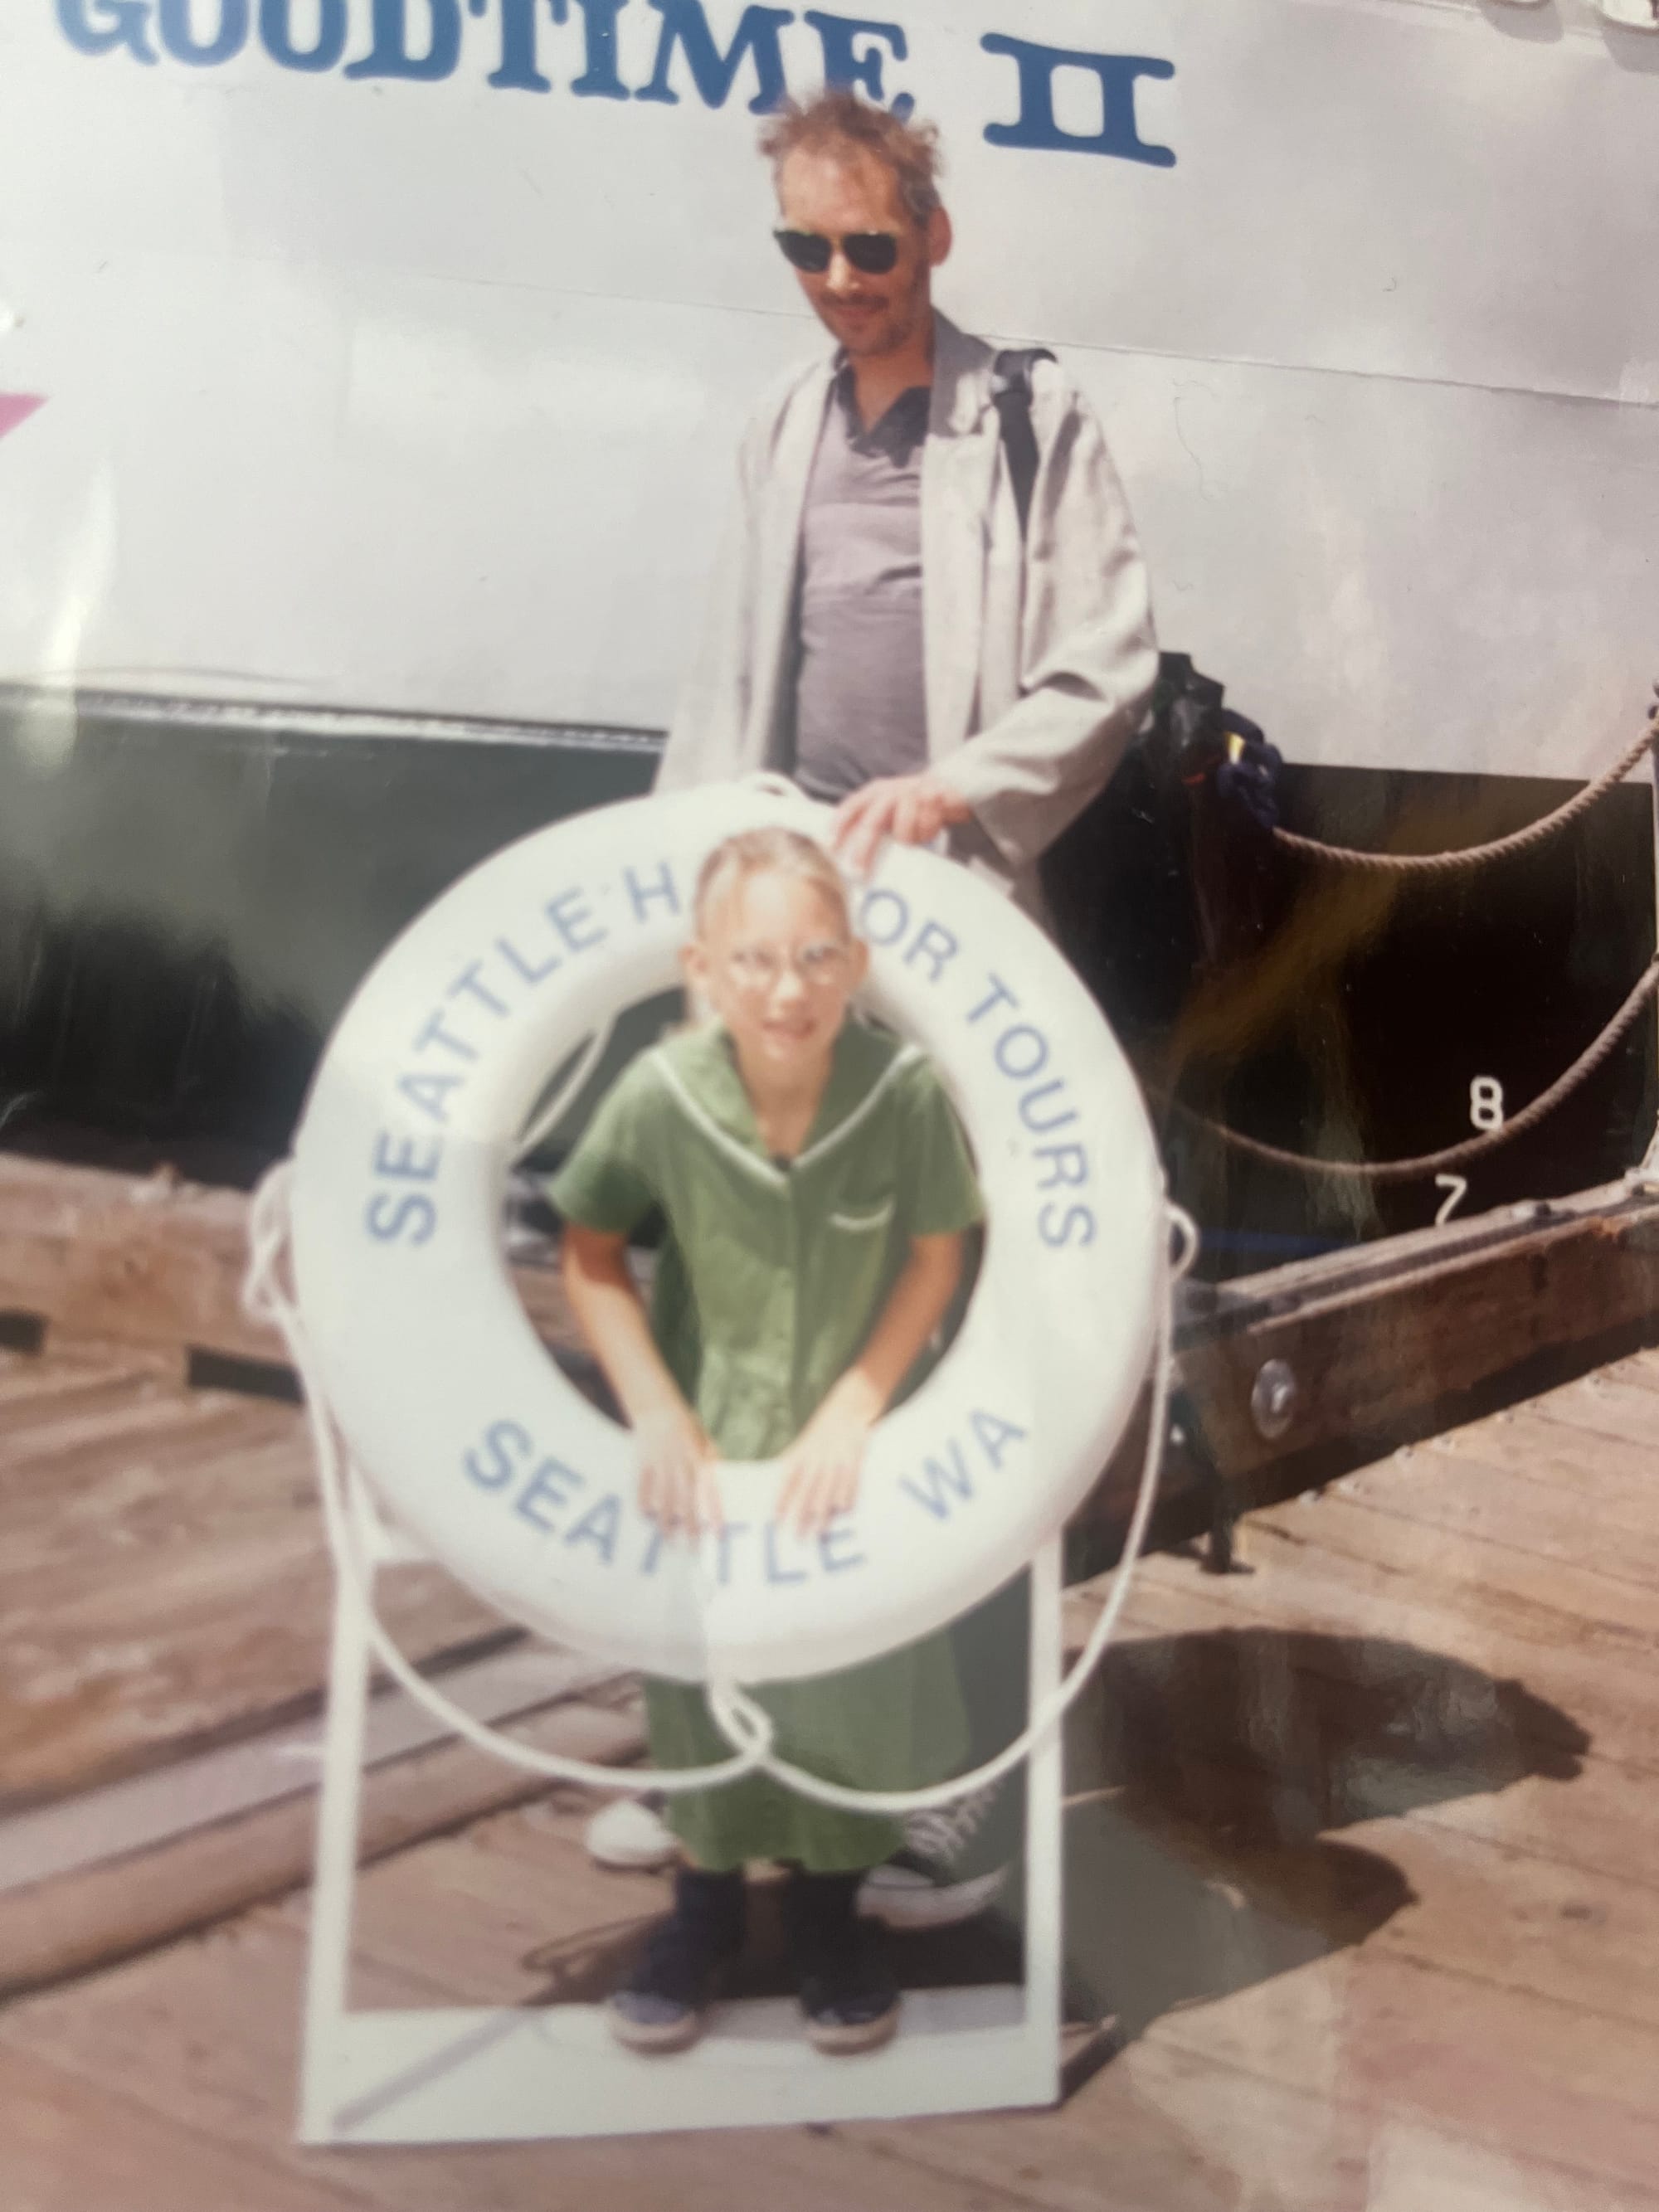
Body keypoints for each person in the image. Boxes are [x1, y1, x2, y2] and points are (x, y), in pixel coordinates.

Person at [586, 85, 1160, 1921]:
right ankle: (720, 1753)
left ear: (933, 232)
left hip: (961, 947)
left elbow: (1108, 662)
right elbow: (721, 686)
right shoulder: (782, 421)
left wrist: (959, 782)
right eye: (804, 251)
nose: (838, 283)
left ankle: (951, 1795)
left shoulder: (1031, 422)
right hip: (783, 954)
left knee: (943, 1368)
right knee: (734, 1351)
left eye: (868, 244)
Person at [550, 826, 985, 2054]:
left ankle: (826, 1916)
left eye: (812, 957)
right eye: (753, 962)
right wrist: (651, 1405)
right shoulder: (663, 1095)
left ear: (852, 963)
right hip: (713, 1444)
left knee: (854, 1682)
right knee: (700, 1683)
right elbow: (588, 1254)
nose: (785, 990)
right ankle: (701, 1913)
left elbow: (937, 1257)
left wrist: (860, 1403)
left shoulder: (899, 1095)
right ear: (703, 966)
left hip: (854, 1449)